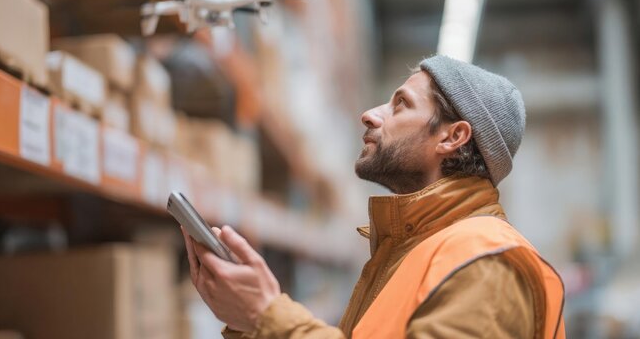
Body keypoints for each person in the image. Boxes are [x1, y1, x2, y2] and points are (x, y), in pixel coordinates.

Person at [181, 55, 566, 338]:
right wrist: (250, 322)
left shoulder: (486, 264)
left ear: (452, 137)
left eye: (401, 104)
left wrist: (269, 316)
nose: (369, 114)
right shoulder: (410, 249)